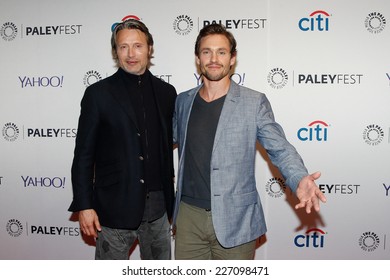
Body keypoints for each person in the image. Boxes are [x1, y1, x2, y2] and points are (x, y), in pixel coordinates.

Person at [172, 23, 327, 260]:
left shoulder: (253, 102)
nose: (214, 58)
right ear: (198, 58)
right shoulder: (183, 101)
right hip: (188, 219)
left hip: (236, 220)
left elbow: (280, 148)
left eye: (221, 52)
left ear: (232, 58)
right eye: (207, 52)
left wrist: (299, 178)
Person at [68, 18, 177, 260]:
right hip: (113, 209)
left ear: (149, 48)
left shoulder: (167, 93)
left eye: (138, 46)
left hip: (158, 210)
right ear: (115, 51)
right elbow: (83, 155)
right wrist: (84, 205)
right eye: (123, 47)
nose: (131, 54)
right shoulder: (97, 94)